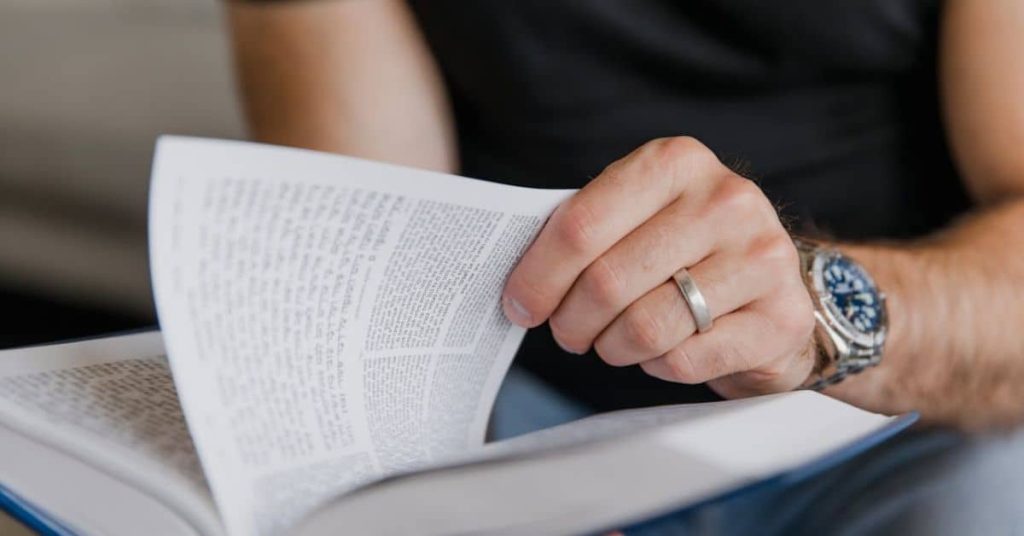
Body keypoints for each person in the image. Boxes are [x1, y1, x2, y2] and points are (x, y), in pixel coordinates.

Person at [228, 1, 1024, 533]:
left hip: (909, 407)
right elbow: (370, 244)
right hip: (530, 404)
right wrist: (432, 487)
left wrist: (812, 313)